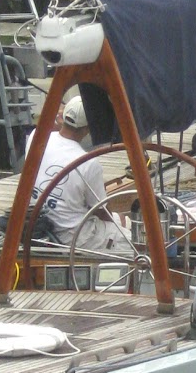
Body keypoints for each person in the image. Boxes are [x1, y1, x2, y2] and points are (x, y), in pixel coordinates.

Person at [32, 95, 132, 256]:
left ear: (63, 117)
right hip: (73, 237)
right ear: (88, 128)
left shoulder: (36, 138)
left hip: (39, 225)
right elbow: (101, 212)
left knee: (121, 222)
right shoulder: (88, 163)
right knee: (135, 240)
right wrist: (119, 219)